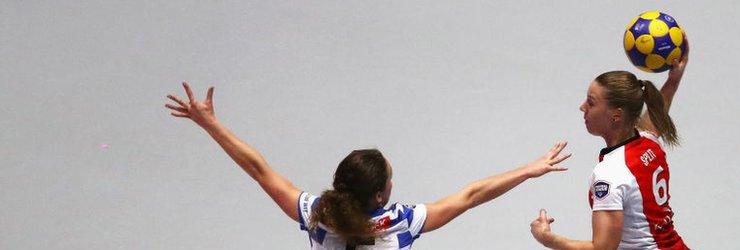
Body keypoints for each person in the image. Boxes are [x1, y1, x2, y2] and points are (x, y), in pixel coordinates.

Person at [164, 82, 572, 249]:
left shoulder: (317, 215)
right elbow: (471, 195)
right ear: (380, 195)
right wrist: (528, 169)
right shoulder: (401, 222)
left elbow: (257, 168)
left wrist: (210, 123)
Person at [529, 39, 690, 249]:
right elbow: (659, 110)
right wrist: (674, 79)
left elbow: (603, 247)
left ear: (616, 116)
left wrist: (546, 238)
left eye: (591, 102)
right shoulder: (648, 141)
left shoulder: (611, 173)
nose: (582, 107)